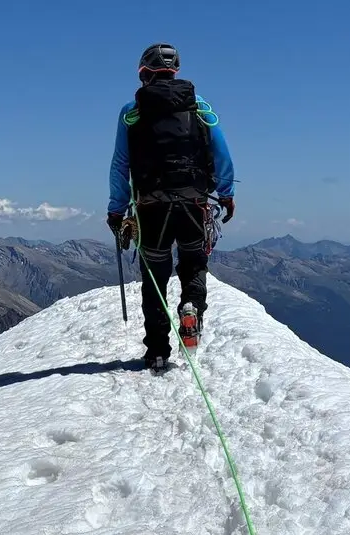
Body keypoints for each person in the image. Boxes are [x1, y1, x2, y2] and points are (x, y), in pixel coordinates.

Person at [104, 43, 236, 370]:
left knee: (155, 279)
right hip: (193, 204)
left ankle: (158, 351)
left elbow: (121, 165)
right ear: (174, 70)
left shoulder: (131, 112)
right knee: (193, 265)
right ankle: (190, 307)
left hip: (150, 208)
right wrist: (226, 193)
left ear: (144, 73)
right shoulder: (200, 107)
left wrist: (116, 209)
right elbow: (221, 155)